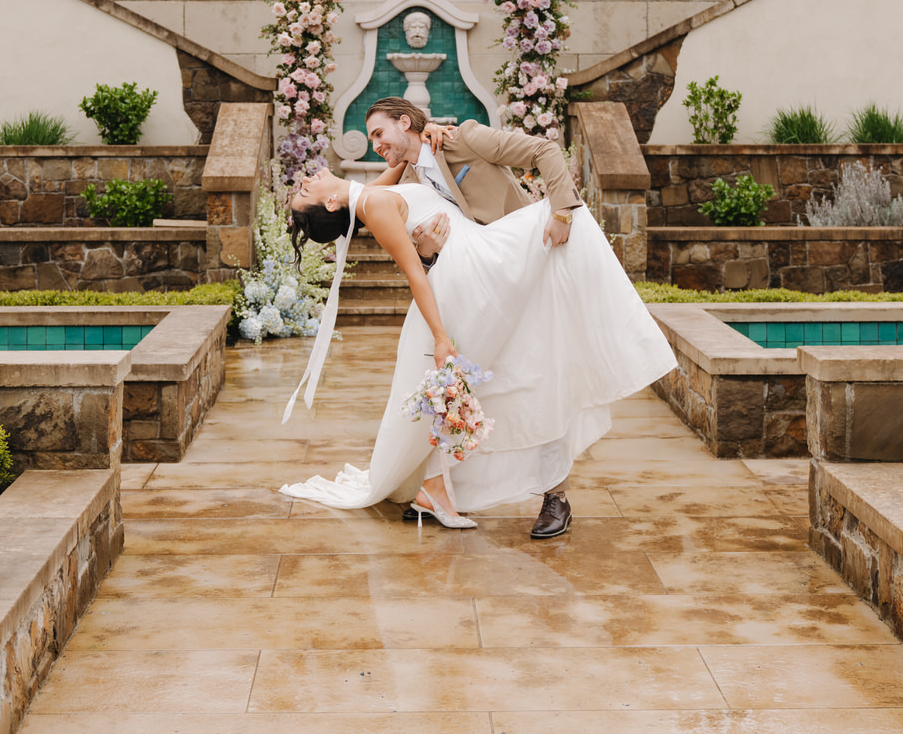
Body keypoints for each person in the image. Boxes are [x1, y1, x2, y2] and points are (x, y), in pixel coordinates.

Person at [280, 159, 677, 538]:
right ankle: (627, 340)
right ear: (330, 203)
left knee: (499, 373)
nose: (306, 180)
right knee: (563, 221)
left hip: (470, 270)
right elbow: (415, 274)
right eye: (303, 190)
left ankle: (439, 487)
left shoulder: (366, 195)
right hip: (469, 283)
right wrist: (440, 336)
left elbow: (396, 166)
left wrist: (421, 133)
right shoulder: (372, 201)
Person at [365, 95, 582, 535]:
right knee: (484, 390)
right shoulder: (409, 181)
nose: (376, 145)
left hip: (532, 269)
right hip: (482, 294)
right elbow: (428, 255)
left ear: (405, 122)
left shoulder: (461, 138)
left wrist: (562, 210)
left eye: (379, 133)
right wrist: (426, 251)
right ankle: (442, 490)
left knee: (539, 381)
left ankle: (556, 498)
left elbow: (544, 150)